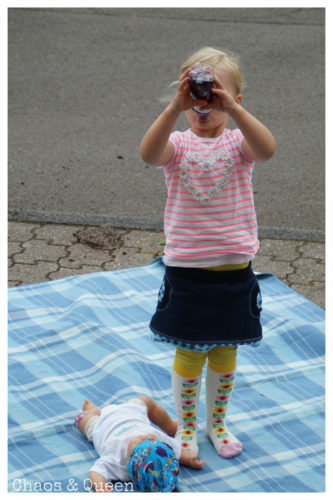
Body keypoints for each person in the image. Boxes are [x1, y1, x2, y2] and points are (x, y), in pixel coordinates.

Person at [140, 47, 276, 460]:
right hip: (188, 273)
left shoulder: (239, 144)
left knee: (225, 349)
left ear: (235, 100)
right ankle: (185, 426)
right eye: (197, 96)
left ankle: (216, 422)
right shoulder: (177, 146)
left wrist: (232, 110)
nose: (206, 104)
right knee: (189, 350)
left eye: (216, 95)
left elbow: (267, 148)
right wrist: (173, 108)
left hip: (235, 273)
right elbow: (148, 154)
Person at [75, 397, 204, 492]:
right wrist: (189, 459)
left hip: (101, 424)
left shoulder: (116, 462)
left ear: (131, 462)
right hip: (131, 411)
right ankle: (170, 425)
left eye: (141, 442)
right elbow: (175, 449)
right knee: (146, 401)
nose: (146, 437)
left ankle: (92, 411)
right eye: (151, 440)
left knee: (81, 419)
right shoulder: (157, 440)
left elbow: (96, 472)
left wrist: (100, 486)